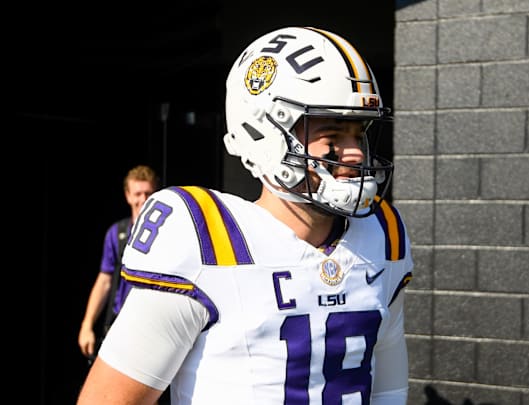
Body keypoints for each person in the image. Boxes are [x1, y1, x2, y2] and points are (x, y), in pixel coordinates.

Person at [77, 26, 414, 405]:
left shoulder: (382, 235)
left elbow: (388, 392)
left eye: (360, 133)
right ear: (267, 133)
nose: (355, 154)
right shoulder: (205, 238)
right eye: (333, 134)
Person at [78, 164, 160, 361]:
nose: (143, 200)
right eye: (138, 194)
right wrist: (87, 325)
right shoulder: (117, 234)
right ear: (128, 196)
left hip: (153, 327)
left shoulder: (167, 234)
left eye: (148, 193)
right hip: (120, 324)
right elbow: (104, 280)